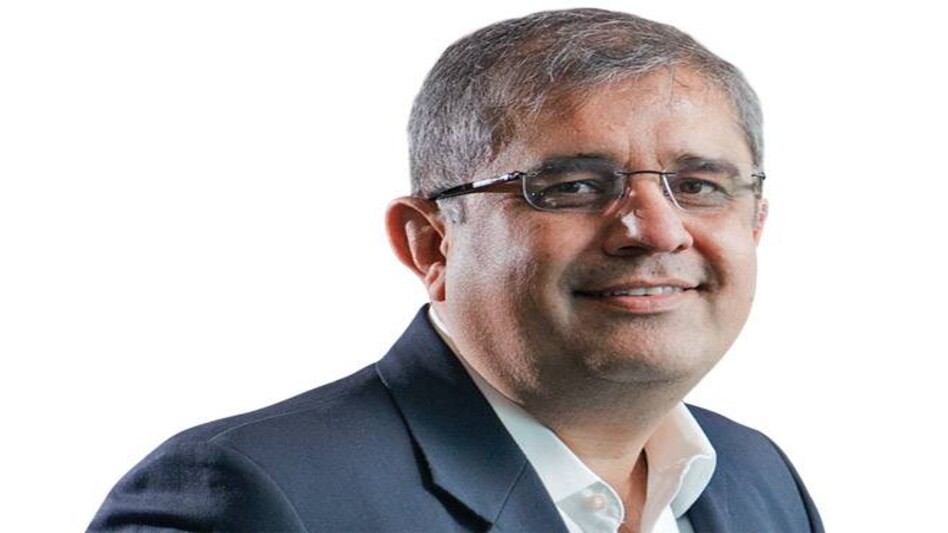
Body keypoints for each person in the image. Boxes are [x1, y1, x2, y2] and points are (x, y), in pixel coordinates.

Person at [89, 8, 823, 533]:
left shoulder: (757, 478)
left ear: (755, 223)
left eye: (699, 185)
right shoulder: (249, 499)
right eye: (572, 186)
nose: (657, 230)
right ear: (431, 243)